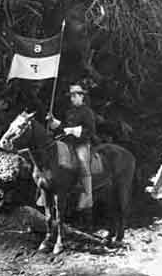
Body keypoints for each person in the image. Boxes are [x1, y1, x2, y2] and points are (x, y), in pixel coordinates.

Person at [47, 83, 97, 226]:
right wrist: (53, 122)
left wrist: (73, 131)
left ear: (82, 96)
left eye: (75, 95)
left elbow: (90, 131)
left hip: (81, 144)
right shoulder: (69, 111)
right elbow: (63, 127)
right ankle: (45, 195)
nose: (73, 98)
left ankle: (87, 197)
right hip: (67, 143)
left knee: (83, 164)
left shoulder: (87, 112)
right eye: (71, 96)